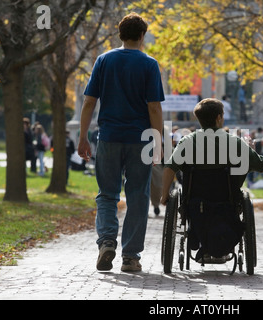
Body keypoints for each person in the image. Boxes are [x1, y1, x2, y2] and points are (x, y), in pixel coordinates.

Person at [77, 12, 165, 272]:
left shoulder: (104, 60)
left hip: (109, 137)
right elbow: (154, 108)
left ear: (120, 34)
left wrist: (83, 137)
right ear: (141, 36)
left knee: (107, 194)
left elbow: (89, 101)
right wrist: (157, 141)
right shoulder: (149, 64)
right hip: (140, 140)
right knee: (138, 196)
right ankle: (130, 256)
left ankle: (106, 241)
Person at [160, 97, 263, 205]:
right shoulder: (235, 142)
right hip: (228, 201)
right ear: (219, 117)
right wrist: (251, 150)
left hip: (195, 203)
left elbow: (169, 168)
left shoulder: (187, 142)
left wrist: (165, 195)